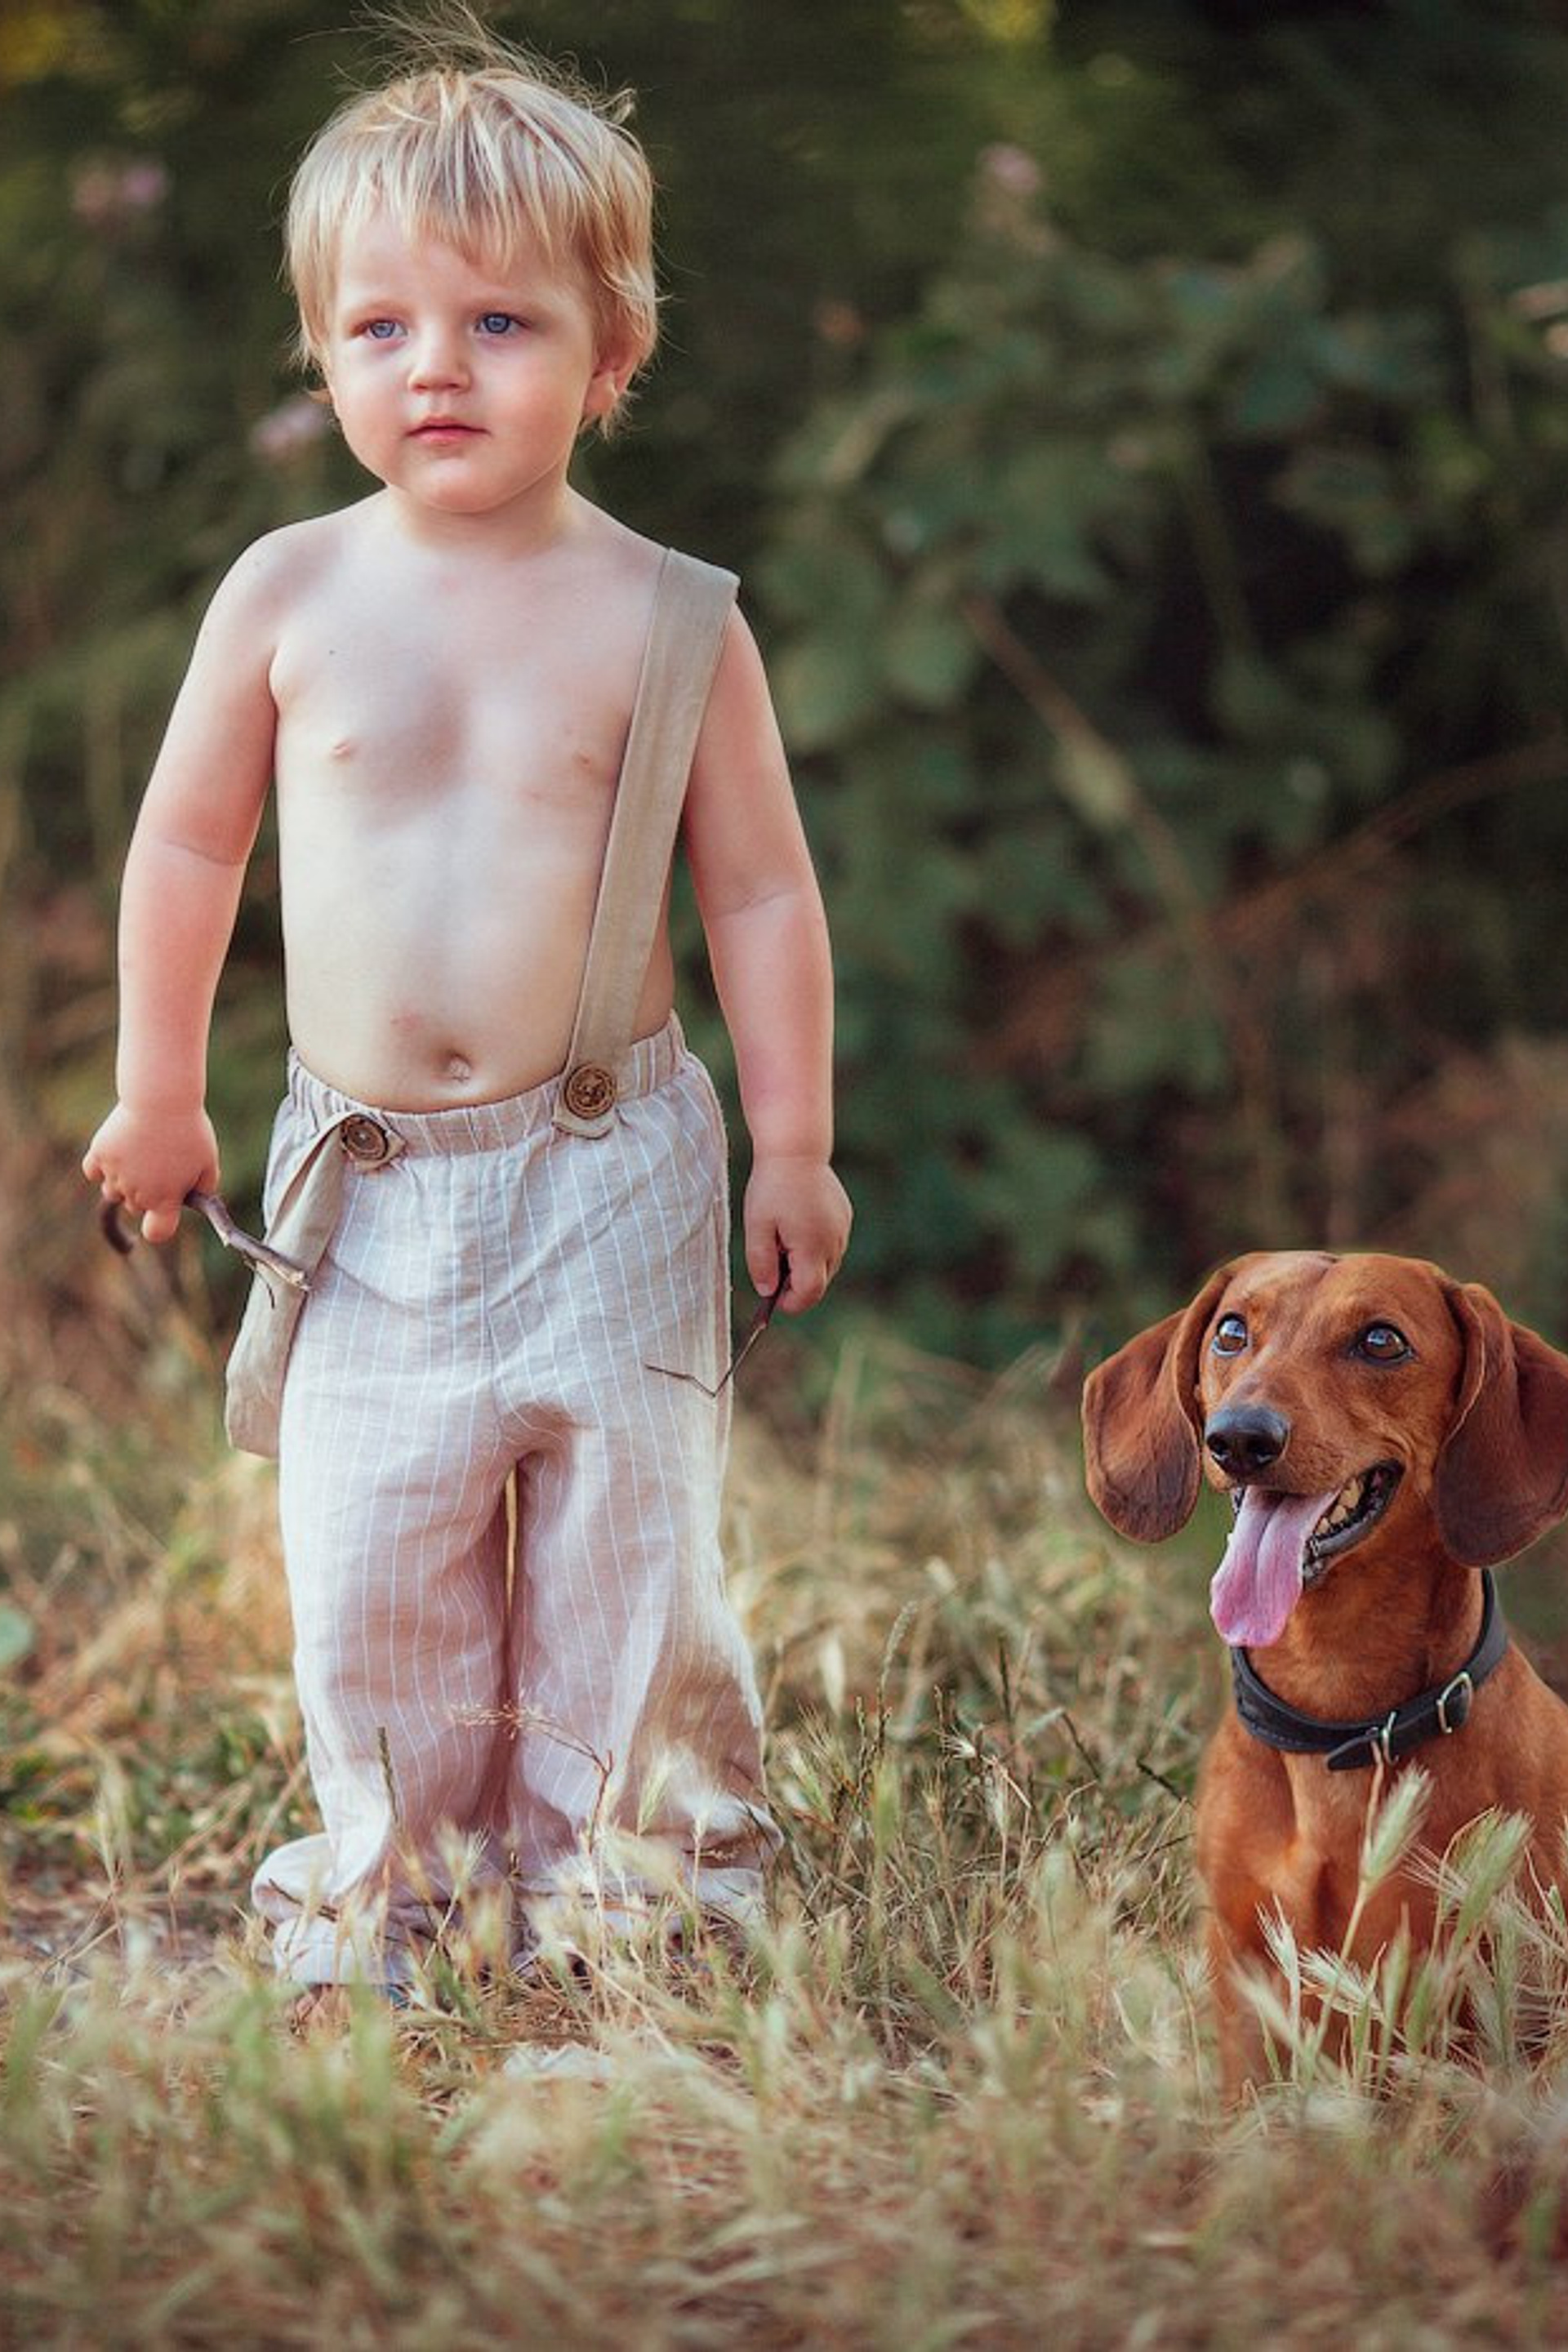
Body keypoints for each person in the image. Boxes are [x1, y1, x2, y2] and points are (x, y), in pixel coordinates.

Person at [82, 26, 851, 2002]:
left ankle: (642, 1894)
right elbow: (187, 849)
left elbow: (763, 891)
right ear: (323, 356)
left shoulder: (674, 619)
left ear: (611, 356)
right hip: (363, 1186)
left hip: (610, 1164)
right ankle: (395, 1894)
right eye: (380, 328)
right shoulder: (287, 593)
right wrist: (159, 1092)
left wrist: (794, 1142)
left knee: (628, 1555)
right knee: (370, 1554)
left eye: (499, 321)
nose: (435, 366)